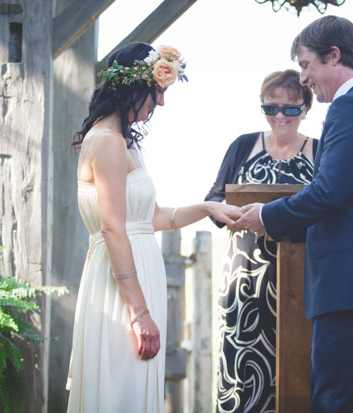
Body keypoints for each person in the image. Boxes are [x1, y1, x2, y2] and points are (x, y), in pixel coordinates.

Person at [237, 16, 353, 412]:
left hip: (352, 291)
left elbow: (328, 194)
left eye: (305, 64)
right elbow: (351, 203)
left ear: (333, 56)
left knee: (336, 403)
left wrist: (267, 217)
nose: (303, 78)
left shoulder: (351, 107)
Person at [66, 42, 243, 413]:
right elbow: (114, 230)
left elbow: (154, 218)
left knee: (133, 388)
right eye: (158, 90)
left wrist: (208, 206)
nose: (160, 103)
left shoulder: (127, 144)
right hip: (122, 291)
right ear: (131, 85)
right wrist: (139, 312)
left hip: (136, 282)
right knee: (120, 392)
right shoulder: (108, 143)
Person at [205, 69, 317, 413]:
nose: (280, 116)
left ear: (305, 109)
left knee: (300, 369)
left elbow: (330, 209)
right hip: (245, 281)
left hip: (302, 280)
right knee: (243, 370)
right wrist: (231, 211)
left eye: (290, 109)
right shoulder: (242, 146)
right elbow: (213, 202)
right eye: (271, 108)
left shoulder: (321, 150)